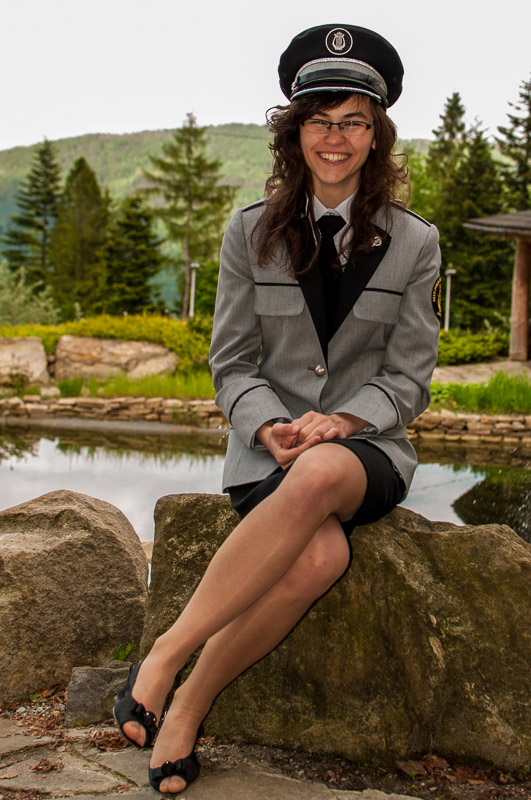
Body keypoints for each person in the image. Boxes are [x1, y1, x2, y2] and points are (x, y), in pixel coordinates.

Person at [113, 23, 442, 795]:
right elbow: (230, 363)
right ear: (294, 134)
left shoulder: (414, 242)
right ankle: (190, 706)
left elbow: (410, 376)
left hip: (365, 450)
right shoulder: (248, 232)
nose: (335, 138)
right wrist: (265, 423)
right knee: (320, 560)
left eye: (353, 121)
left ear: (376, 134)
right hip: (266, 451)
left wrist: (345, 419)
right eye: (319, 121)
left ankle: (164, 656)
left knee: (323, 468)